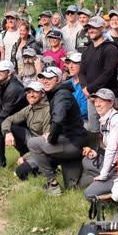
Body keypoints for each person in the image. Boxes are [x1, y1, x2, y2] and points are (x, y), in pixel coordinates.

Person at [26, 66, 88, 195]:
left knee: (33, 143)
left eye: (50, 78)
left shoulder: (62, 95)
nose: (45, 81)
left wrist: (51, 138)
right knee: (73, 187)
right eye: (43, 78)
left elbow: (58, 120)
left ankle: (52, 184)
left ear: (58, 79)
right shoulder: (58, 93)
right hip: (72, 140)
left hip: (72, 143)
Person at [81, 88, 118, 199]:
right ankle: (103, 182)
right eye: (96, 101)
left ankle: (116, 192)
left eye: (101, 101)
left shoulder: (117, 119)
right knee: (86, 160)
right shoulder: (104, 118)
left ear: (111, 103)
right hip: (111, 163)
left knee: (89, 194)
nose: (97, 104)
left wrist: (103, 175)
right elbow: (106, 149)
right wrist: (96, 154)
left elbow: (112, 149)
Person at [79, 16, 118, 133]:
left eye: (94, 28)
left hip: (108, 97)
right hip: (91, 97)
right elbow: (82, 72)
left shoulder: (110, 49)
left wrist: (90, 88)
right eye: (89, 28)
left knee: (111, 131)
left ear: (102, 28)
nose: (91, 30)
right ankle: (96, 151)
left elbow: (108, 73)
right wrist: (84, 88)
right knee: (94, 130)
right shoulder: (87, 51)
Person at [3, 81, 51, 178]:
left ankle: (46, 166)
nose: (31, 95)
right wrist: (7, 133)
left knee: (20, 172)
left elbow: (46, 142)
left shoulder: (48, 110)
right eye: (28, 92)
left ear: (42, 94)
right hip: (33, 144)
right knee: (13, 128)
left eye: (35, 92)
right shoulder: (29, 108)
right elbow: (8, 120)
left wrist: (25, 157)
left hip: (45, 149)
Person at [0, 60, 30, 167]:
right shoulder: (3, 84)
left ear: (9, 72)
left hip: (23, 126)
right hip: (13, 120)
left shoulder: (14, 88)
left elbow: (5, 113)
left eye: (1, 71)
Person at [64, 52, 90, 122]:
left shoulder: (88, 84)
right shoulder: (66, 83)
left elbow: (84, 110)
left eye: (74, 63)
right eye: (69, 63)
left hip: (82, 122)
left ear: (82, 65)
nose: (70, 66)